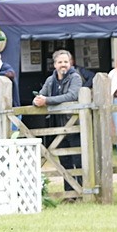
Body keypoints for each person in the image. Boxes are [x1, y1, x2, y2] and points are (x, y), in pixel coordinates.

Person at [33, 49, 84, 195]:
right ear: (55, 64)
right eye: (60, 62)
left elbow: (71, 95)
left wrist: (47, 101)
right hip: (57, 126)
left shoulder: (76, 78)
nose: (63, 65)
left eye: (66, 62)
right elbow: (41, 93)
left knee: (78, 159)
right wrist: (37, 100)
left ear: (70, 63)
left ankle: (81, 192)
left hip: (74, 125)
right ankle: (69, 193)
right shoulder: (50, 80)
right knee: (64, 161)